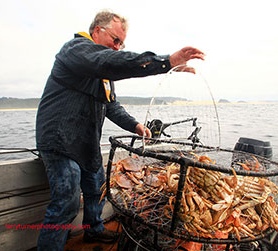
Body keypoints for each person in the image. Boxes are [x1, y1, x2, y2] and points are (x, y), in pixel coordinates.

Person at [35, 9, 205, 250]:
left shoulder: (103, 74)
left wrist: (136, 126)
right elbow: (110, 61)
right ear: (96, 31)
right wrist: (166, 62)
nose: (118, 47)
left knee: (97, 188)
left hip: (86, 143)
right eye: (115, 40)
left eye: (121, 43)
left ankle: (93, 230)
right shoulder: (75, 50)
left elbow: (111, 106)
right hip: (59, 141)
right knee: (66, 203)